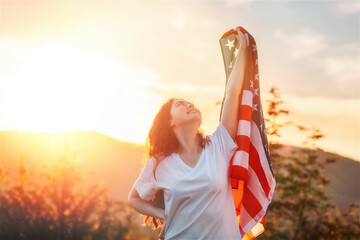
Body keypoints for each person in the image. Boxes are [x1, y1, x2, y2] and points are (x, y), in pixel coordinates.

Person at [128, 28, 248, 240]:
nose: (189, 104)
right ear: (170, 122)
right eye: (181, 105)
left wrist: (243, 51)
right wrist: (161, 214)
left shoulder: (218, 144)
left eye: (190, 102)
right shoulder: (160, 163)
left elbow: (232, 93)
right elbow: (134, 198)